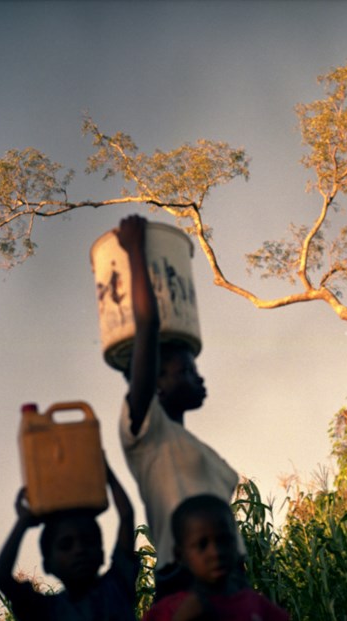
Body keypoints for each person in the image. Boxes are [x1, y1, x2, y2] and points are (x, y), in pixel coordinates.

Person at [116, 215, 246, 600]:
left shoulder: (190, 444)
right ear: (156, 381)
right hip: (185, 583)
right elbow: (147, 327)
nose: (199, 379)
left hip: (232, 581)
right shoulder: (146, 432)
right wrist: (135, 251)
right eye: (187, 371)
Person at [0, 458, 137, 621]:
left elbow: (126, 516)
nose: (79, 550)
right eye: (66, 546)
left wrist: (105, 470)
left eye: (88, 541)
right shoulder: (46, 611)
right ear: (47, 565)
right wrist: (23, 522)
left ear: (102, 554)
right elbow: (2, 577)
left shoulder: (117, 586)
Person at [142, 494, 289, 621]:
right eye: (202, 545)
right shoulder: (165, 612)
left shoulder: (261, 609)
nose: (215, 553)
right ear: (180, 555)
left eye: (224, 540)